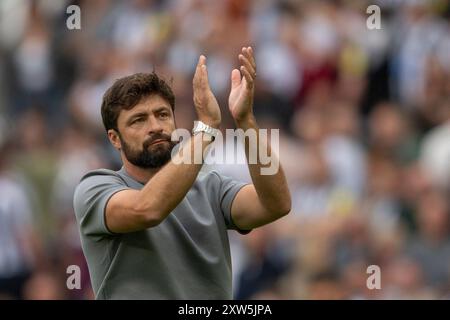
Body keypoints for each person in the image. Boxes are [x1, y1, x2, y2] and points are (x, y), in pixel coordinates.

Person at [73, 47, 291, 299]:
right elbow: (148, 208)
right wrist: (207, 128)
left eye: (162, 114)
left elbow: (277, 204)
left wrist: (245, 121)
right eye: (138, 120)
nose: (155, 126)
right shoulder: (95, 188)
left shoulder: (210, 185)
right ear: (114, 139)